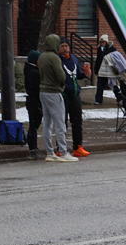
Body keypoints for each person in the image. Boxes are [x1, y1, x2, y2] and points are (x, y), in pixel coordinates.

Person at [38, 34, 78, 162]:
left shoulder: (42, 56)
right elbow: (61, 76)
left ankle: (50, 152)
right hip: (54, 92)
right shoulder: (54, 57)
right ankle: (63, 152)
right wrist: (61, 84)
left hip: (43, 91)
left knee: (47, 123)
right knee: (60, 123)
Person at [58, 38, 90, 158]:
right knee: (62, 123)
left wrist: (85, 74)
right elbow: (59, 78)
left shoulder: (73, 58)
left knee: (77, 122)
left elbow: (77, 75)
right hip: (64, 95)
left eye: (66, 46)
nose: (65, 48)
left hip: (75, 95)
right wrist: (66, 88)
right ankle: (60, 148)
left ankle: (78, 146)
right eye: (62, 46)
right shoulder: (58, 60)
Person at [24, 50, 45, 158]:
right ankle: (32, 149)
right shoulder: (34, 73)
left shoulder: (29, 70)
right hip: (34, 102)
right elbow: (36, 89)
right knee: (33, 126)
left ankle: (33, 147)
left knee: (33, 125)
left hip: (32, 101)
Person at [93, 34, 115, 105]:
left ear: (106, 42)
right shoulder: (99, 49)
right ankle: (98, 100)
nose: (102, 43)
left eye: (103, 42)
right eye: (101, 42)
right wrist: (96, 69)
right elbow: (98, 60)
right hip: (102, 70)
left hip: (109, 70)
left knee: (113, 85)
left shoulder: (112, 50)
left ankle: (120, 98)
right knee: (99, 86)